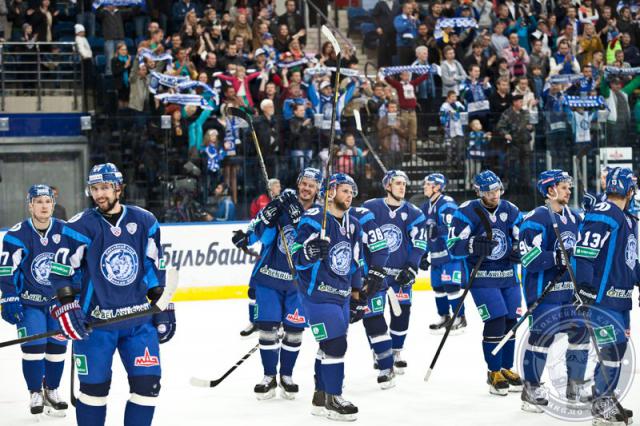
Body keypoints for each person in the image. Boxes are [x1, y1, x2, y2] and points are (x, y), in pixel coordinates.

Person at [49, 163, 176, 426]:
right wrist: (67, 307)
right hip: (96, 325)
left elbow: (153, 268)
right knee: (94, 392)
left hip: (138, 322)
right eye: (94, 189)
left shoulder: (144, 221)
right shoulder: (79, 226)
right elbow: (60, 272)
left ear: (119, 188)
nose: (99, 194)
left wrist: (164, 304)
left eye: (105, 187)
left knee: (148, 387)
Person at [231, 168, 322, 400]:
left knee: (294, 331)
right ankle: (269, 376)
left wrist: (298, 217)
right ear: (298, 183)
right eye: (303, 183)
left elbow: (317, 243)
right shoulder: (282, 204)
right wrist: (269, 213)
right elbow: (263, 235)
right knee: (268, 330)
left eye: (311, 185)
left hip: (299, 284)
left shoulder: (322, 214)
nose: (306, 188)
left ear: (318, 189)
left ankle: (287, 376)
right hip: (269, 278)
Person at [292, 173, 363, 421]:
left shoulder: (353, 224)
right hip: (317, 295)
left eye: (352, 192)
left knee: (328, 345)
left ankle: (321, 397)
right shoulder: (313, 219)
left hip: (342, 296)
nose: (350, 195)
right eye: (345, 191)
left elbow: (355, 264)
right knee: (336, 345)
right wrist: (310, 251)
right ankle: (335, 398)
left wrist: (357, 296)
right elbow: (296, 256)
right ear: (331, 192)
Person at [518, 170, 590, 412]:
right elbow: (528, 258)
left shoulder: (576, 217)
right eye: (564, 186)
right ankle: (531, 388)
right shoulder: (535, 218)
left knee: (581, 333)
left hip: (570, 292)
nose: (569, 190)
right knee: (542, 338)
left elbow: (581, 253)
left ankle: (575, 384)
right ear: (550, 190)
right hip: (544, 292)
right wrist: (559, 257)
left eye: (569, 186)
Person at [448, 170, 524, 396]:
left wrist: (518, 249)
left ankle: (505, 367)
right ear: (479, 192)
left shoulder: (511, 210)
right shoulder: (465, 212)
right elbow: (453, 245)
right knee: (496, 319)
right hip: (482, 277)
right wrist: (472, 245)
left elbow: (522, 237)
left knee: (512, 320)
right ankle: (493, 371)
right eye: (489, 192)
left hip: (509, 275)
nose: (494, 195)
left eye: (497, 190)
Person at [573, 167, 637, 425]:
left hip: (621, 298)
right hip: (602, 298)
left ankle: (606, 397)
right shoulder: (605, 214)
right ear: (629, 191)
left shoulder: (627, 218)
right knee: (610, 349)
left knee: (617, 349)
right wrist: (585, 288)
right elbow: (583, 251)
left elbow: (629, 259)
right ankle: (601, 405)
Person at [0, 185, 69, 417]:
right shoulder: (16, 234)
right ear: (30, 205)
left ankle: (52, 390)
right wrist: (8, 297)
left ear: (53, 204)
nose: (43, 206)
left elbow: (76, 266)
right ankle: (35, 392)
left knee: (57, 349)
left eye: (47, 202)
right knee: (33, 349)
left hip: (57, 303)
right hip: (29, 303)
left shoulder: (65, 231)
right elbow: (6, 269)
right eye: (38, 202)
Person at [362, 170, 427, 373]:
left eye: (404, 184)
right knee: (373, 314)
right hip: (375, 274)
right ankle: (378, 350)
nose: (402, 187)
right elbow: (360, 237)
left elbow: (419, 243)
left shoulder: (414, 213)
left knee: (402, 313)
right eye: (397, 183)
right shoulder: (370, 208)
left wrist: (411, 266)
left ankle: (396, 350)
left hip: (400, 275)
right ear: (387, 186)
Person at [348, 204, 392, 389]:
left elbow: (381, 248)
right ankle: (330, 376)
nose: (348, 196)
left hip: (364, 280)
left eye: (349, 191)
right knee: (335, 329)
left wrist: (375, 273)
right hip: (335, 283)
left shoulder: (361, 216)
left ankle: (386, 367)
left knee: (374, 320)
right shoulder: (320, 218)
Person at [420, 173, 467, 333]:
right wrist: (423, 254)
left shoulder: (447, 204)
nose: (424, 186)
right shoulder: (425, 207)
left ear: (437, 186)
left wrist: (438, 229)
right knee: (438, 287)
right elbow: (425, 233)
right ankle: (444, 317)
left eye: (428, 184)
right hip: (436, 255)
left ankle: (460, 318)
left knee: (451, 286)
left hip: (450, 255)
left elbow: (455, 228)